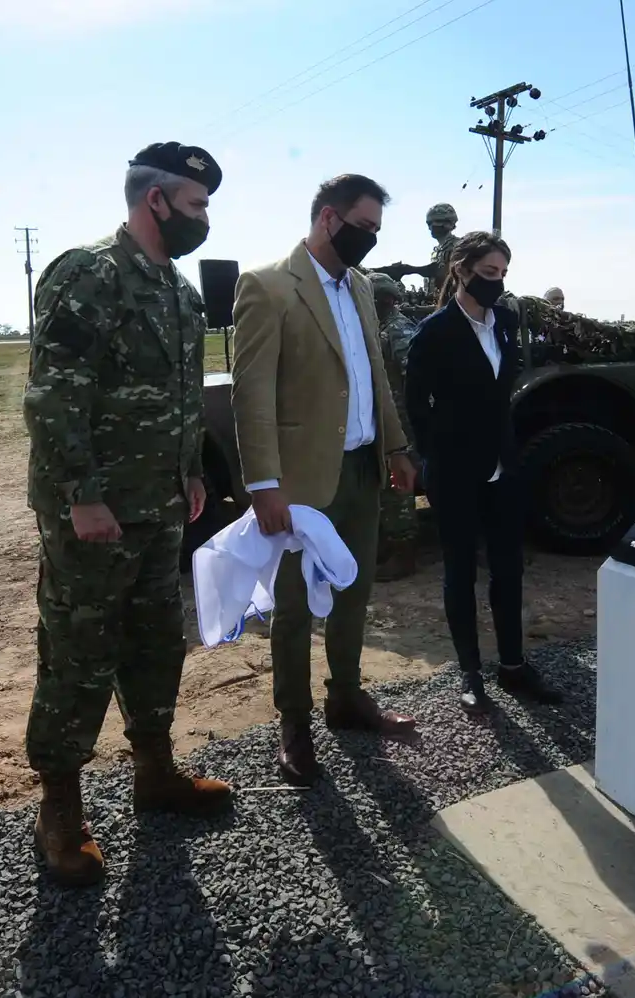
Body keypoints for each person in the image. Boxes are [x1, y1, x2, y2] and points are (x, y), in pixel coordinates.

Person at [22, 141, 232, 887]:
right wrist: (81, 496)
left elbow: (181, 399)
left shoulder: (179, 291)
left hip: (161, 505)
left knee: (154, 645)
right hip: (95, 514)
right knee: (79, 656)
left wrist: (193, 472)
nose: (204, 218)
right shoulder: (91, 275)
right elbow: (53, 394)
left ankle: (155, 773)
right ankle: (59, 811)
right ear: (156, 201)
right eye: (197, 205)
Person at [230, 173, 419, 788]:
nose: (369, 239)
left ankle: (346, 697)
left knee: (354, 592)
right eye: (362, 227)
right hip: (301, 482)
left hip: (362, 468)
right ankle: (294, 723)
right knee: (293, 609)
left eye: (376, 231)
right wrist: (263, 484)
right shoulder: (267, 285)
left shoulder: (361, 287)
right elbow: (251, 392)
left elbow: (372, 374)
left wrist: (394, 445)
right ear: (328, 218)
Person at [406, 232, 564, 713]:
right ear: (462, 270)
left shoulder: (504, 322)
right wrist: (439, 460)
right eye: (488, 273)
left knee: (508, 569)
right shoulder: (435, 331)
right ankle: (470, 673)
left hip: (502, 467)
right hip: (455, 472)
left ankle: (513, 666)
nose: (496, 283)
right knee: (460, 573)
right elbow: (418, 407)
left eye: (502, 274)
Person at [370, 272, 420, 582]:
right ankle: (390, 544)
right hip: (387, 421)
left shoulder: (399, 330)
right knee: (385, 487)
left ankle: (405, 552)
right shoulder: (382, 328)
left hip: (401, 423)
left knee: (398, 488)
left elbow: (415, 377)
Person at [426, 202, 460, 296]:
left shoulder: (458, 246)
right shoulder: (436, 251)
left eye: (437, 221)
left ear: (449, 223)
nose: (432, 226)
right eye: (429, 223)